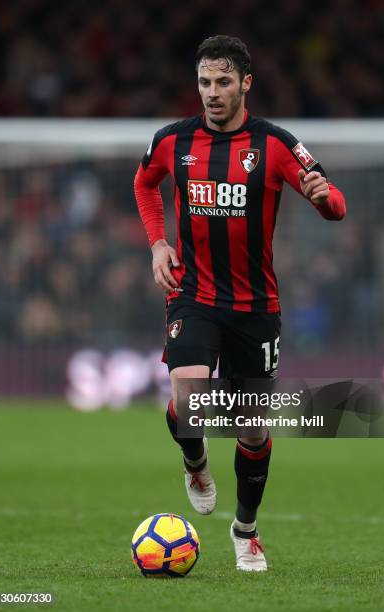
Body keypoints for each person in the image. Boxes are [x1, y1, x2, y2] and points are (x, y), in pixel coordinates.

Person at [134, 35, 346, 571]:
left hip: (256, 306)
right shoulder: (173, 141)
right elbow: (144, 183)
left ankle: (245, 530)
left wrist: (325, 201)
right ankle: (196, 460)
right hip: (195, 296)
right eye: (204, 82)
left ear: (245, 83)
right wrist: (159, 242)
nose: (212, 92)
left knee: (252, 427)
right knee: (188, 404)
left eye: (223, 82)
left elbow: (333, 201)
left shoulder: (274, 144)